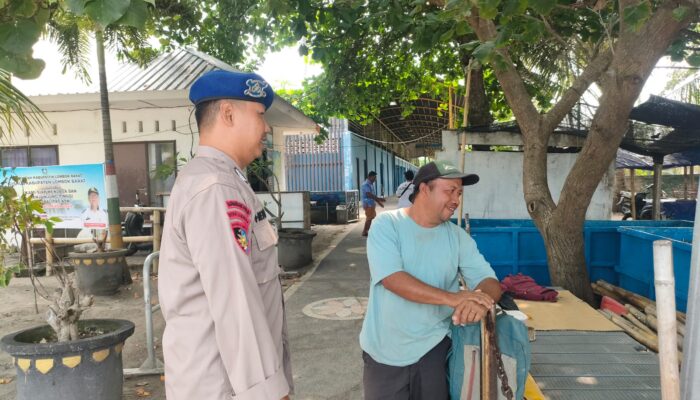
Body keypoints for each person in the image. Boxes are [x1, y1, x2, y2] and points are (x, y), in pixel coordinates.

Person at [158, 70, 292, 400]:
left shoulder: (226, 180)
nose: (267, 127)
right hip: (224, 386)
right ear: (228, 114)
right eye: (260, 115)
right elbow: (235, 300)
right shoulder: (215, 188)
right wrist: (269, 393)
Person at [359, 160, 502, 400]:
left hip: (434, 351)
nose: (456, 200)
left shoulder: (457, 237)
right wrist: (455, 299)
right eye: (449, 191)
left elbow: (490, 281)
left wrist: (479, 300)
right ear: (424, 189)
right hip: (384, 351)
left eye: (459, 193)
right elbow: (393, 279)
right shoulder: (388, 225)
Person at [361, 171, 385, 236]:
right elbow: (369, 195)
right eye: (374, 178)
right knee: (369, 218)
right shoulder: (366, 184)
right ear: (369, 177)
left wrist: (378, 202)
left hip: (371, 204)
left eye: (375, 178)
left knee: (372, 218)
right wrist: (379, 199)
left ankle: (367, 231)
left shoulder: (370, 184)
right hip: (368, 204)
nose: (375, 179)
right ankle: (365, 231)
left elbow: (372, 195)